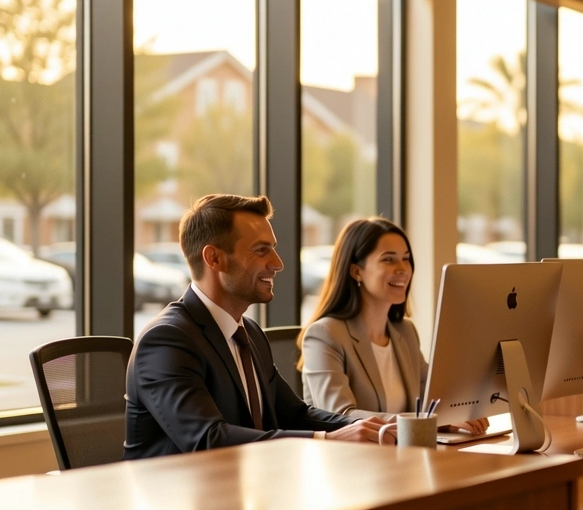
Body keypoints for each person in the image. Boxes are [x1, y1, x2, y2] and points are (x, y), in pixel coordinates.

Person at [124, 195, 386, 460]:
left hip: (240, 488)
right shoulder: (167, 340)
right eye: (261, 250)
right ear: (214, 258)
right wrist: (327, 439)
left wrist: (371, 427)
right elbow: (207, 438)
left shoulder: (249, 333)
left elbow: (295, 415)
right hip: (176, 496)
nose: (278, 263)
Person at [300, 216, 488, 435]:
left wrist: (456, 415)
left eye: (406, 259)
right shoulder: (325, 334)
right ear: (356, 271)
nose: (402, 269)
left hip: (403, 453)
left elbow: (435, 399)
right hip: (351, 460)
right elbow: (339, 415)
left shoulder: (405, 331)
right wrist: (427, 422)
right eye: (388, 260)